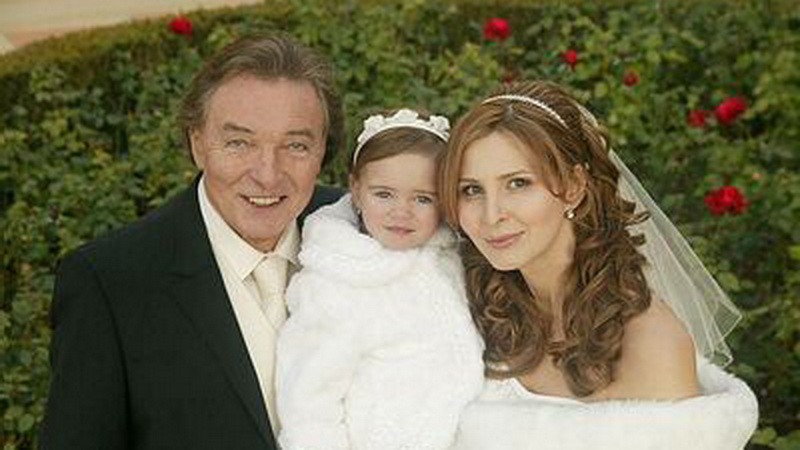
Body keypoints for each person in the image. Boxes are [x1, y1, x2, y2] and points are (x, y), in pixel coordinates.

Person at [39, 34, 344, 449]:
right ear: (197, 143)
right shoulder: (109, 284)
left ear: (322, 149)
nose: (268, 175)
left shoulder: (364, 232)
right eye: (239, 143)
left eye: (296, 145)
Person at [437, 80, 759, 449]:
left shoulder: (651, 345)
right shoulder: (460, 307)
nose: (491, 215)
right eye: (471, 190)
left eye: (518, 183)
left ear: (574, 186)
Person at [275, 109, 484, 450]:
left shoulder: (451, 261)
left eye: (422, 198)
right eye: (384, 194)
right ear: (356, 190)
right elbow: (308, 403)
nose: (401, 211)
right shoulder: (334, 285)